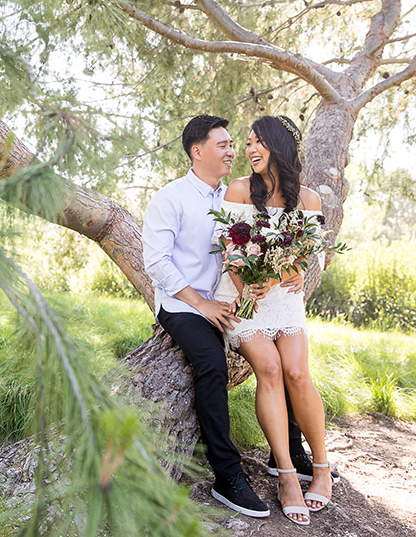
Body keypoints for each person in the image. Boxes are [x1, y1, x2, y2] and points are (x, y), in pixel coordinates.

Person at [141, 114, 307, 518]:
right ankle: (227, 475)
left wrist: (289, 271)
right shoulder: (172, 198)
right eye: (224, 145)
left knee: (283, 358)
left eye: (235, 144)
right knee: (212, 365)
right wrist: (202, 305)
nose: (234, 151)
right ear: (197, 152)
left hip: (239, 299)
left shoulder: (241, 192)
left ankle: (290, 450)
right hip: (185, 305)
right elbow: (156, 262)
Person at [211, 115, 335, 526]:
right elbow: (228, 247)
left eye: (257, 142)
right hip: (242, 298)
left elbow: (305, 255)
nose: (248, 150)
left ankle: (320, 468)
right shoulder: (240, 190)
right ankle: (285, 474)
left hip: (283, 300)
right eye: (246, 143)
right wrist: (246, 281)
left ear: (279, 147)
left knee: (298, 371)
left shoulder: (310, 200)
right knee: (270, 367)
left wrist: (282, 273)